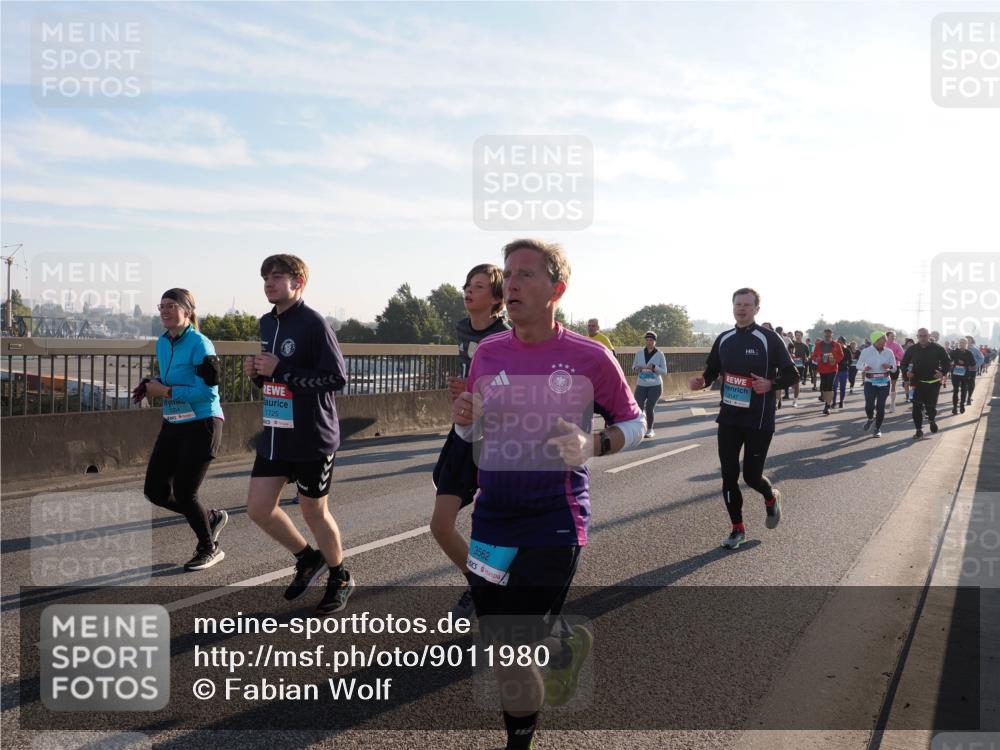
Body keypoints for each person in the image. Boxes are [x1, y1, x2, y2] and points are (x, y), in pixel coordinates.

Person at [453, 239, 645, 750]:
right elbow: (472, 431)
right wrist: (465, 420)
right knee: (498, 638)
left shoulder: (590, 356)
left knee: (512, 644)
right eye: (508, 275)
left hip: (554, 516)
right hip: (493, 515)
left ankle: (519, 741)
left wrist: (593, 443)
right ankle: (559, 643)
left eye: (525, 275)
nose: (511, 284)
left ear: (556, 290)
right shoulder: (489, 352)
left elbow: (636, 422)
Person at [243, 254, 353, 615]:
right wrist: (258, 374)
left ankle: (340, 576)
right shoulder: (266, 322)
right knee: (259, 509)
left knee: (313, 512)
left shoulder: (314, 323)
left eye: (277, 276)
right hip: (276, 434)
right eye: (265, 277)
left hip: (312, 437)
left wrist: (282, 369)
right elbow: (275, 378)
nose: (269, 283)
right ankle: (308, 558)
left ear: (298, 282)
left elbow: (335, 378)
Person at [689, 288, 799, 549]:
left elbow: (792, 374)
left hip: (758, 419)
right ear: (733, 307)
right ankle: (737, 529)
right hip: (729, 418)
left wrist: (770, 384)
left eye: (747, 305)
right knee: (728, 475)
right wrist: (702, 381)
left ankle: (770, 496)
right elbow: (712, 370)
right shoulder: (724, 338)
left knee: (751, 477)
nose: (742, 309)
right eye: (738, 304)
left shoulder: (769, 339)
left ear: (756, 309)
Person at [431, 263, 509, 620]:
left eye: (478, 286)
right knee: (440, 525)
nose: (468, 290)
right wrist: (461, 392)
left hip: (497, 439)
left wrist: (478, 390)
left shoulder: (507, 337)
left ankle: (498, 588)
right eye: (467, 284)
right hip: (465, 433)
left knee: (495, 522)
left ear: (496, 298)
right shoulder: (463, 330)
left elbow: (513, 387)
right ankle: (480, 583)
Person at [141, 289, 228, 571]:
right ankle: (209, 518)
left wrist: (165, 392)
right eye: (161, 306)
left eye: (171, 306)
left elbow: (207, 392)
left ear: (187, 310)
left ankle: (209, 547)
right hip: (174, 422)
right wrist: (150, 383)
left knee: (184, 492)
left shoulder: (201, 344)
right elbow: (171, 377)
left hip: (202, 423)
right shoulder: (162, 342)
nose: (165, 311)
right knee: (155, 491)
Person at [900, 328, 950, 439]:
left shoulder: (938, 348)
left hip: (933, 383)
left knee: (930, 407)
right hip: (917, 382)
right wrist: (907, 372)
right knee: (916, 407)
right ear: (917, 337)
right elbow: (903, 364)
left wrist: (942, 372)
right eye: (920, 336)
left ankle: (931, 419)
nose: (923, 338)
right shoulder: (912, 349)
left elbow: (947, 362)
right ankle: (918, 430)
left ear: (929, 336)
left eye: (925, 336)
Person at [855, 331, 896, 438]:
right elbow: (858, 365)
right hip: (870, 381)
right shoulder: (866, 351)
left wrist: (890, 367)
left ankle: (877, 429)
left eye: (885, 339)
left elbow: (894, 368)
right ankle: (870, 419)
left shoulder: (889, 352)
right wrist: (864, 368)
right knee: (869, 406)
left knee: (880, 406)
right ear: (876, 340)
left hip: (884, 381)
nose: (885, 341)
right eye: (883, 339)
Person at [632, 331, 668, 438]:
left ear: (655, 341)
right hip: (641, 385)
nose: (648, 342)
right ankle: (639, 428)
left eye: (651, 340)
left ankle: (650, 430)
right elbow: (633, 367)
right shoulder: (639, 353)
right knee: (638, 407)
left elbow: (664, 372)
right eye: (647, 340)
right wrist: (636, 368)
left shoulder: (660, 354)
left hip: (655, 385)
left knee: (649, 407)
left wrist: (654, 367)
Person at [811, 329, 844, 416]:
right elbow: (813, 356)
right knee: (824, 386)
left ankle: (827, 406)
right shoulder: (818, 344)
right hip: (822, 368)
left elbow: (841, 355)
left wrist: (835, 360)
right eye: (826, 335)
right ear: (824, 335)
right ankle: (826, 401)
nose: (827, 336)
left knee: (829, 386)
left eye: (829, 335)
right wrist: (816, 359)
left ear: (831, 335)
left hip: (832, 368)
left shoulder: (836, 345)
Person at [950, 339, 977, 415]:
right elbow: (949, 360)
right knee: (955, 390)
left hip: (965, 374)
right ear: (958, 343)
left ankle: (962, 405)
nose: (962, 344)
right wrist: (954, 362)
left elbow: (973, 363)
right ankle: (955, 407)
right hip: (955, 373)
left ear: (966, 344)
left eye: (963, 343)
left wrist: (965, 363)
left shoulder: (969, 353)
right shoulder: (954, 352)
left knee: (964, 390)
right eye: (960, 343)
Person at [884, 331, 905, 413]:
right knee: (884, 385)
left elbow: (902, 357)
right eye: (891, 336)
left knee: (893, 385)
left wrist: (894, 355)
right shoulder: (882, 345)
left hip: (895, 366)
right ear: (887, 336)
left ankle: (892, 404)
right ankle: (882, 404)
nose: (893, 337)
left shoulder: (897, 345)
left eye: (894, 336)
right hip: (883, 367)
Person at [792, 331, 811, 407]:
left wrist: (807, 358)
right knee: (792, 384)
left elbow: (808, 355)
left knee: (797, 384)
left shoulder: (804, 346)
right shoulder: (792, 344)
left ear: (802, 336)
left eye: (799, 335)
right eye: (796, 335)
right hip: (792, 365)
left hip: (800, 366)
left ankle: (795, 401)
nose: (798, 336)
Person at [834, 336, 851, 408]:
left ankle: (841, 401)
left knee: (842, 387)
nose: (840, 343)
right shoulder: (834, 350)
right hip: (835, 371)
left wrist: (846, 365)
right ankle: (834, 402)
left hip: (844, 371)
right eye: (838, 341)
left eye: (841, 342)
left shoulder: (847, 350)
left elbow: (850, 361)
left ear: (844, 342)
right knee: (834, 387)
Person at [966, 336, 984, 405]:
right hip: (962, 370)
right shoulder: (961, 348)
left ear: (971, 341)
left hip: (972, 370)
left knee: (971, 384)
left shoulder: (975, 349)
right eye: (966, 340)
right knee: (963, 384)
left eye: (969, 340)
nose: (967, 341)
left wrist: (975, 366)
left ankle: (969, 397)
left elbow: (981, 358)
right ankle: (964, 396)